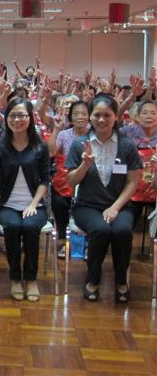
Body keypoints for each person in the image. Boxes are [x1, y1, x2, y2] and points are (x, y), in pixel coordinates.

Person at [66, 94, 142, 303]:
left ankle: (121, 281)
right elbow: (71, 181)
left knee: (122, 231)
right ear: (90, 117)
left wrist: (115, 207)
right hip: (87, 206)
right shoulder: (79, 144)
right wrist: (85, 165)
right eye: (97, 115)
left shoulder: (127, 145)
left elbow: (133, 182)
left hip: (120, 206)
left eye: (107, 115)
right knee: (100, 230)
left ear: (116, 117)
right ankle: (93, 280)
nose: (101, 120)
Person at [0, 98, 50, 302]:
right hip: (7, 205)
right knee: (13, 226)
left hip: (35, 204)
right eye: (12, 115)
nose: (17, 119)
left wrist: (33, 204)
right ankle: (15, 278)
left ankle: (30, 279)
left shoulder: (40, 146)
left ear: (30, 118)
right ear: (6, 119)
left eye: (22, 115)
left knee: (30, 227)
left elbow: (45, 180)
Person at [48, 100, 90, 258]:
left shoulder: (94, 134)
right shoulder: (64, 134)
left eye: (84, 113)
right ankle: (62, 239)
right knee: (58, 202)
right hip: (65, 179)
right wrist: (56, 129)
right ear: (70, 117)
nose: (80, 117)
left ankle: (87, 243)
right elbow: (51, 152)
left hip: (88, 178)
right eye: (76, 113)